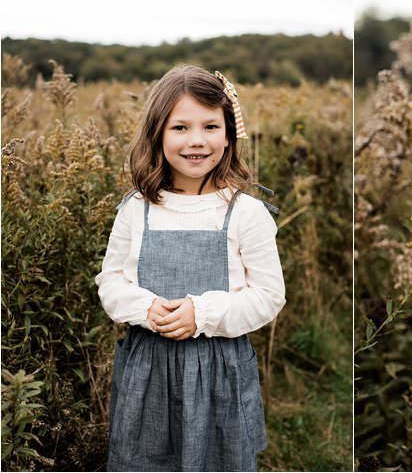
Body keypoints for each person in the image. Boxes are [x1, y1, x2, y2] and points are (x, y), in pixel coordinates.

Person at [96, 65, 285, 471]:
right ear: (157, 134)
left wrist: (203, 313)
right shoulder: (137, 209)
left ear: (229, 133)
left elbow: (268, 296)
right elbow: (110, 280)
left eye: (210, 127)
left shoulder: (246, 213)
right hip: (148, 368)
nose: (196, 141)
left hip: (219, 367)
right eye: (180, 127)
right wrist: (143, 307)